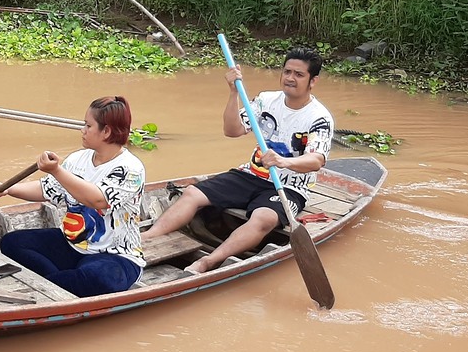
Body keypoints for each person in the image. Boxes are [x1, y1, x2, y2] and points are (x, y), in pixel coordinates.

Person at [142, 46, 333, 273]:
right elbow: (232, 130)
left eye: (299, 74)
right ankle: (146, 238)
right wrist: (233, 93)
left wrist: (284, 162)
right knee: (192, 193)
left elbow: (316, 160)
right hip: (250, 175)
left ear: (313, 81)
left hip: (288, 186)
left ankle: (208, 261)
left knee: (263, 219)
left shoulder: (319, 117)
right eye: (287, 72)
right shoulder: (266, 100)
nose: (290, 78)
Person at [0, 96, 146, 297]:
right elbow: (47, 189)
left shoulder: (130, 169)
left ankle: (56, 285)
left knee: (98, 278)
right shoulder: (78, 159)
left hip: (115, 255)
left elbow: (97, 200)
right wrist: (8, 189)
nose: (83, 130)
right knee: (12, 243)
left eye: (88, 125)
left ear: (106, 131)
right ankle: (62, 283)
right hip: (72, 244)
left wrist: (56, 171)